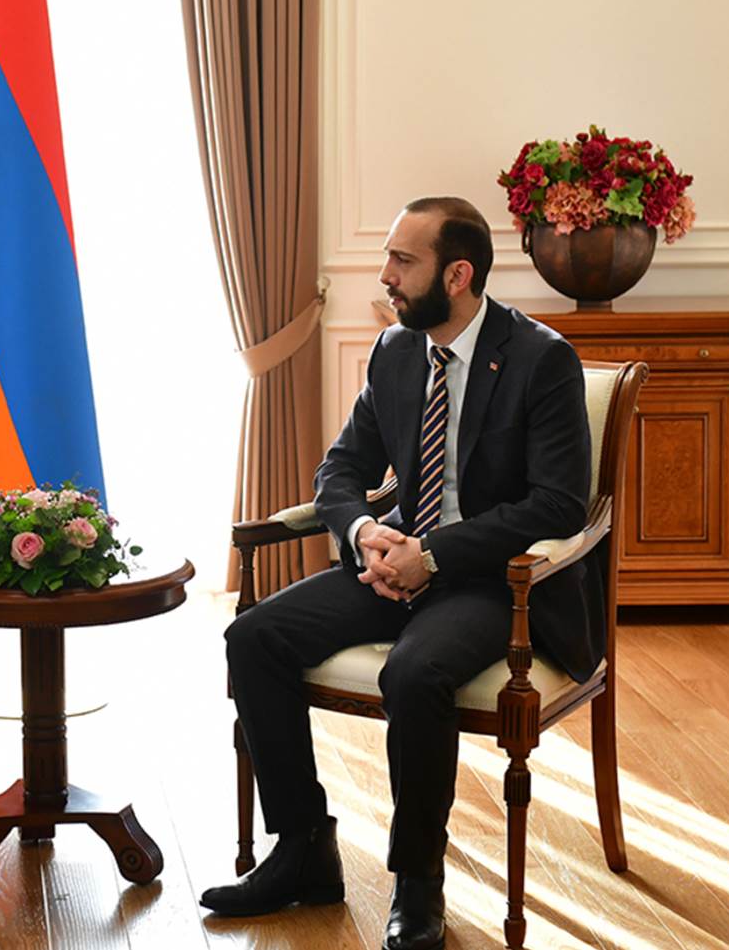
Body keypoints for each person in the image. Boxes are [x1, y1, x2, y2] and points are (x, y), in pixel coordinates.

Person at [201, 197, 601, 950]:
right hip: (395, 565)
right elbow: (341, 469)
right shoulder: (395, 350)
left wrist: (435, 554)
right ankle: (303, 847)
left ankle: (418, 878)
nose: (385, 274)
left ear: (458, 275)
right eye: (389, 256)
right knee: (253, 637)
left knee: (414, 674)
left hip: (497, 583)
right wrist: (365, 533)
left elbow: (557, 503)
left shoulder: (540, 358)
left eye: (402, 260)